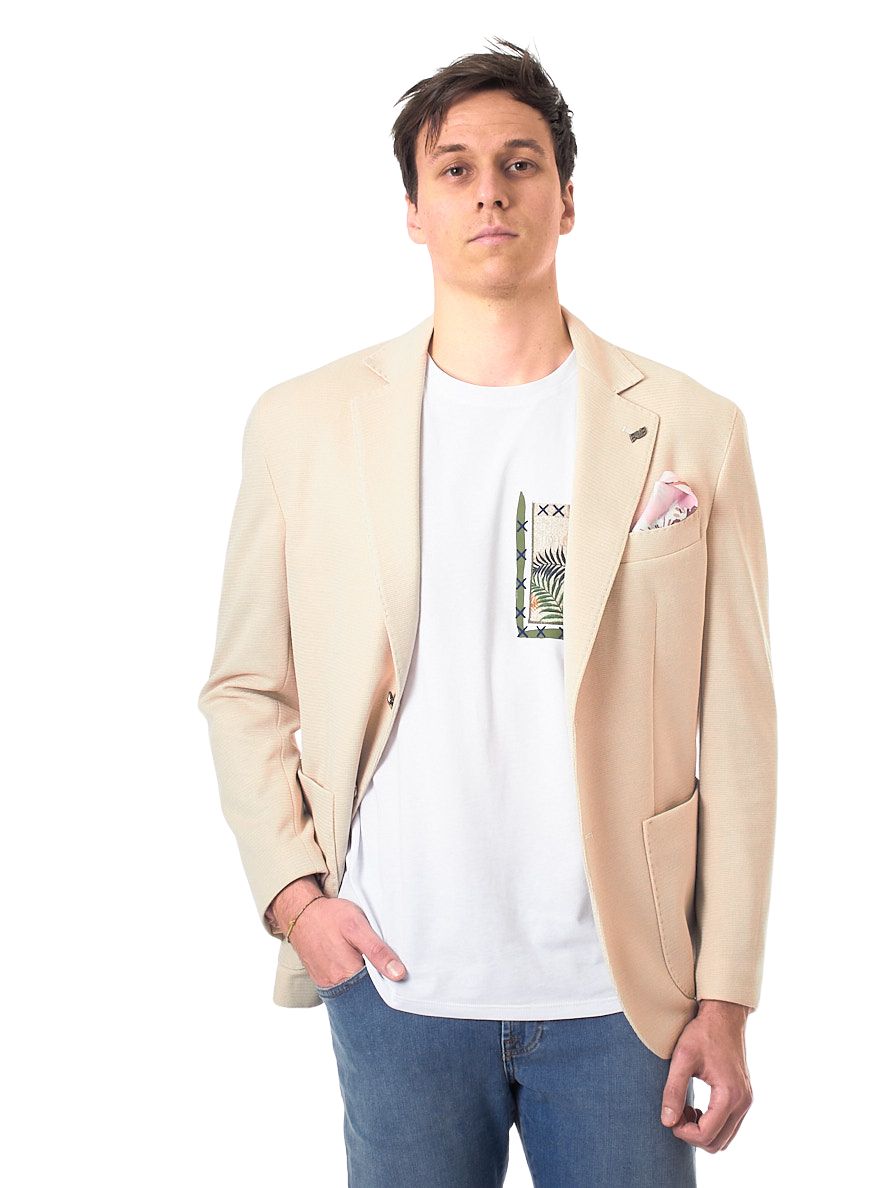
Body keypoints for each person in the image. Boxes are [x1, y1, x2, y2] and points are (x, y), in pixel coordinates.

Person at [197, 36, 777, 1187]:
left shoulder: (688, 426)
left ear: (568, 199)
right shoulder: (303, 425)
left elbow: (739, 727)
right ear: (414, 212)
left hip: (627, 996)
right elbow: (247, 687)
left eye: (520, 164)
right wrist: (297, 901)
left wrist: (726, 993)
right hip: (397, 981)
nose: (490, 192)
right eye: (454, 169)